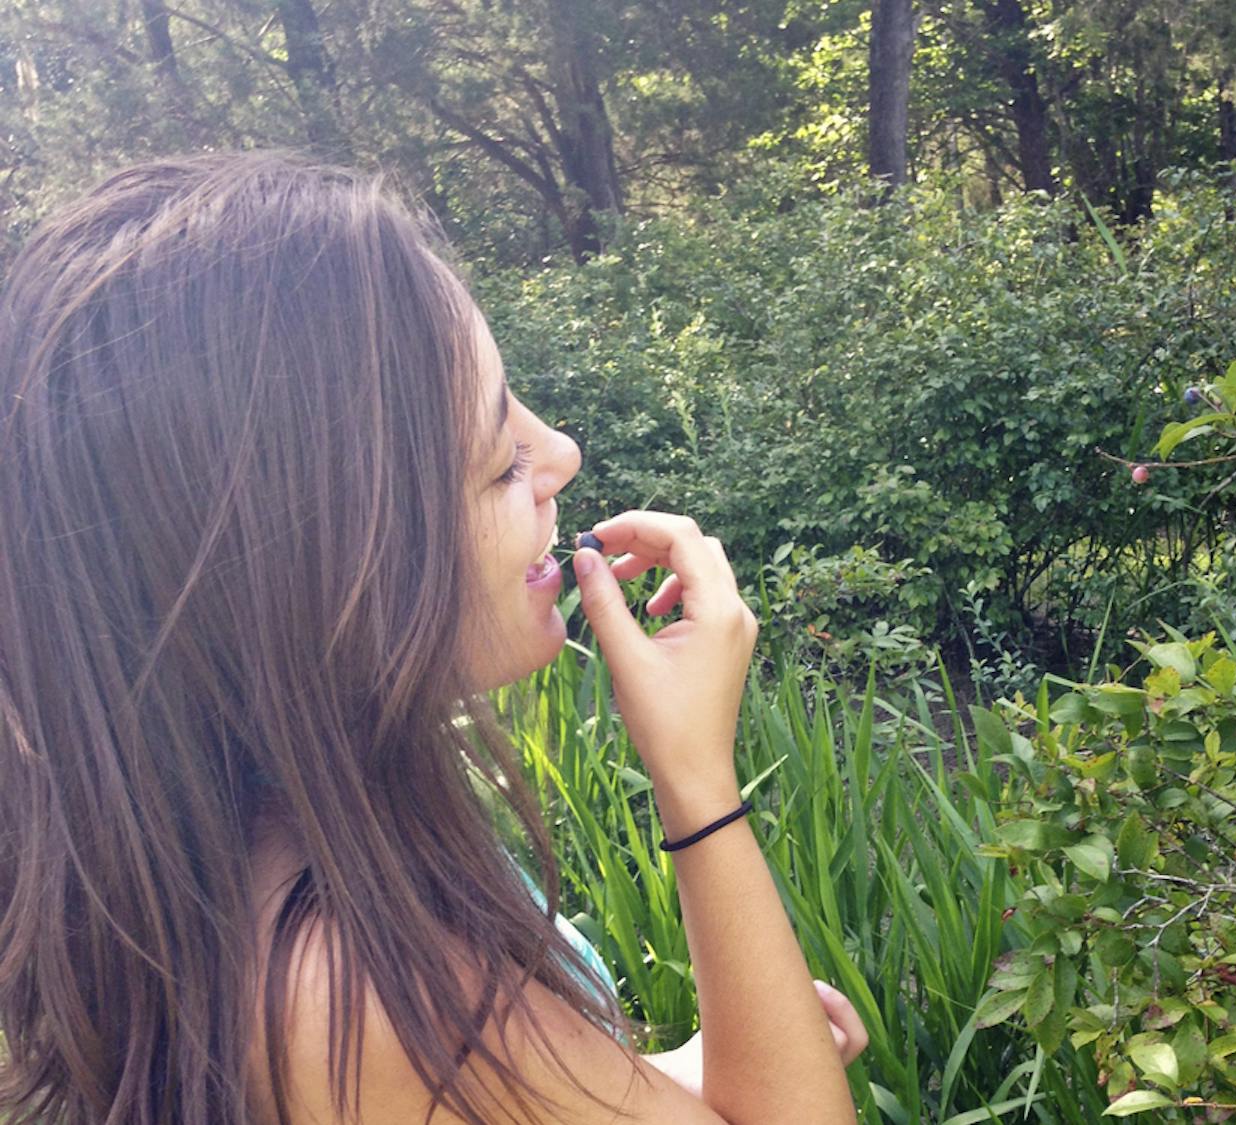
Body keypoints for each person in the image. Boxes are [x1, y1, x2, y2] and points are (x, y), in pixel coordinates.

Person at [0, 152, 867, 1124]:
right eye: (499, 462)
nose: (561, 456)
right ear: (326, 565)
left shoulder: (234, 853)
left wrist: (668, 1073)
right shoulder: (358, 999)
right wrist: (698, 777)